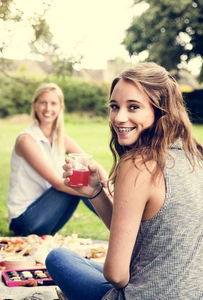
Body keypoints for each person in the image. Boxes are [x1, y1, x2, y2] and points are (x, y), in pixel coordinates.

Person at [45, 62, 203, 299]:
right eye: (114, 106)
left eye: (133, 107)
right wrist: (96, 192)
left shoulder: (138, 164)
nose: (119, 117)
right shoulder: (196, 156)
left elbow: (117, 275)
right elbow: (138, 234)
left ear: (161, 110)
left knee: (59, 257)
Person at [7, 83, 108, 236]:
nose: (48, 109)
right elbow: (58, 184)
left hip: (47, 218)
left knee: (85, 179)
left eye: (53, 103)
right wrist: (97, 192)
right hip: (25, 221)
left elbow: (94, 165)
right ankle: (123, 227)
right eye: (43, 103)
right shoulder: (26, 140)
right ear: (34, 105)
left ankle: (122, 222)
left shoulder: (61, 139)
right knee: (78, 183)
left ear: (60, 107)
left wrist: (108, 188)